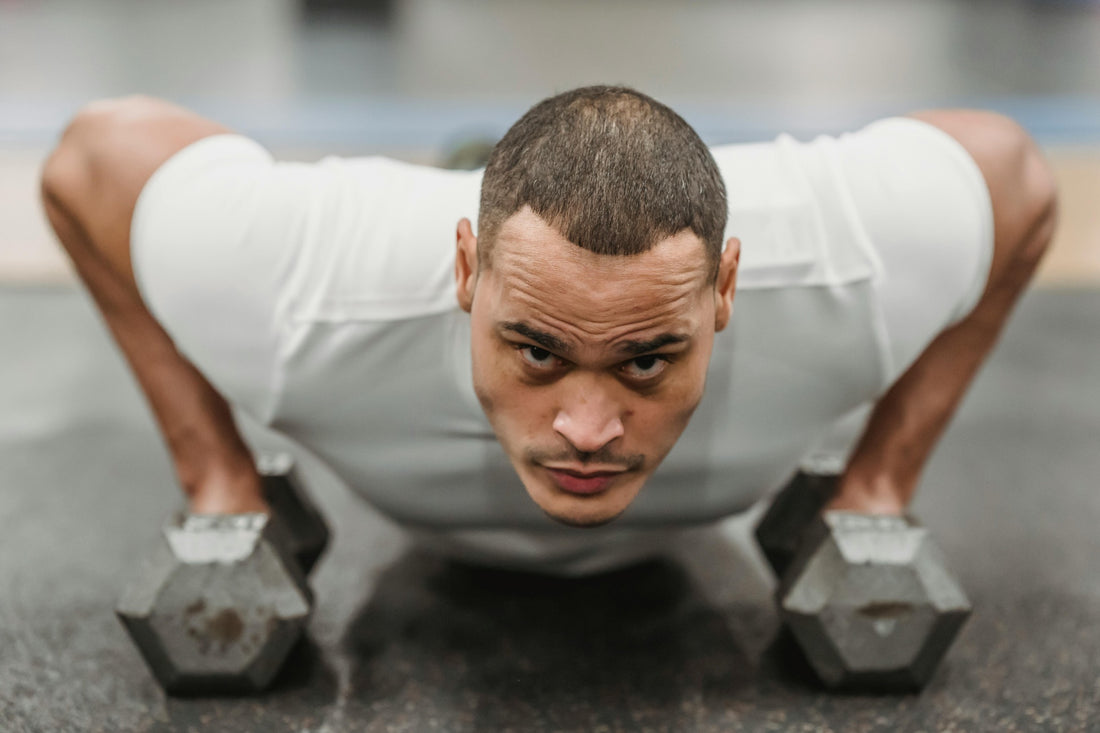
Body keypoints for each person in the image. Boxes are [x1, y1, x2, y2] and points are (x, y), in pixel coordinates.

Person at [40, 86, 1056, 574]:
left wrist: (878, 483)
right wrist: (215, 475)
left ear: (725, 290)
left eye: (646, 359)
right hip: (410, 221)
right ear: (464, 274)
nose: (585, 428)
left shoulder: (838, 268)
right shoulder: (306, 290)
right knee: (479, 162)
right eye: (535, 349)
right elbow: (92, 159)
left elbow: (1012, 176)